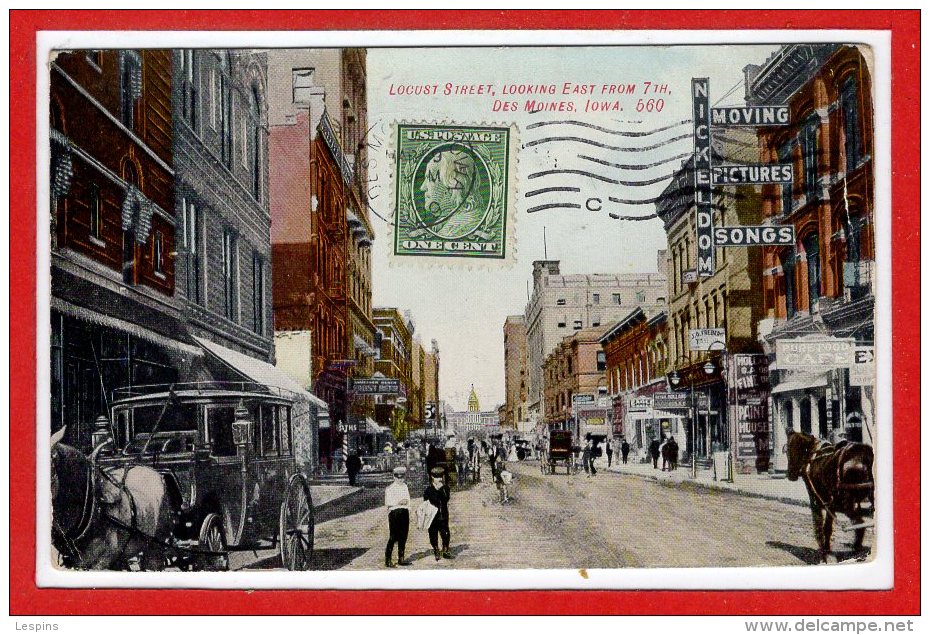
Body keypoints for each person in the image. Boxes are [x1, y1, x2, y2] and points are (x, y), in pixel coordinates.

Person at [423, 467, 453, 560]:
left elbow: (446, 499)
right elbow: (427, 501)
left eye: (440, 477)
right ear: (432, 477)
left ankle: (445, 549)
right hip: (433, 516)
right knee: (433, 533)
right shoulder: (428, 489)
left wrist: (440, 490)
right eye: (436, 477)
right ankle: (436, 549)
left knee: (446, 533)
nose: (439, 479)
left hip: (443, 515)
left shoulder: (445, 488)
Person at [384, 466, 411, 567]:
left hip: (404, 512)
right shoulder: (390, 488)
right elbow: (388, 503)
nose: (400, 480)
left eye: (402, 477)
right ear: (394, 477)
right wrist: (399, 502)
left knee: (403, 536)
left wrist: (407, 506)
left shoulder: (405, 486)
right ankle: (388, 559)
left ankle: (401, 558)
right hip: (394, 513)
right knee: (393, 537)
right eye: (398, 477)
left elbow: (408, 500)